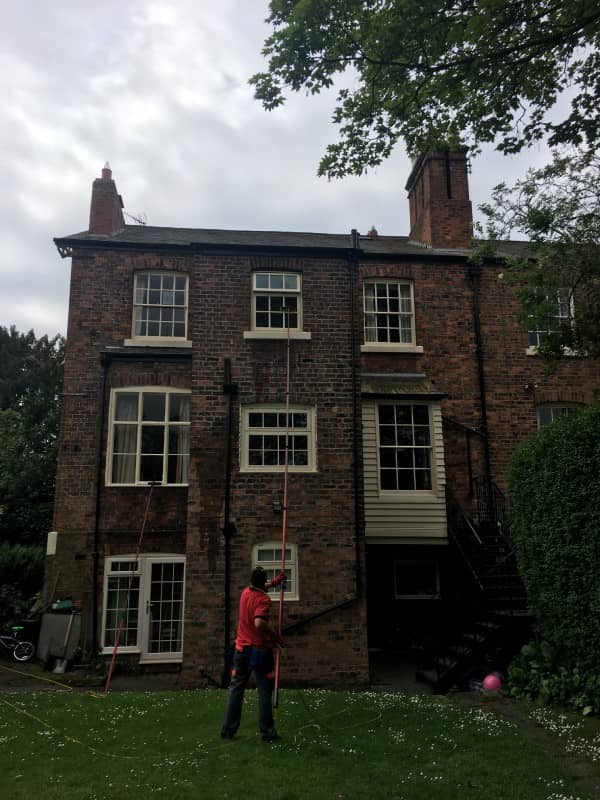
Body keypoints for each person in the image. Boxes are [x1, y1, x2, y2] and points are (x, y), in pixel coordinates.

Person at [221, 566, 286, 742]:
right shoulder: (263, 599)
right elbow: (259, 623)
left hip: (240, 649)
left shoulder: (245, 593)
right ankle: (267, 732)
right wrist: (276, 637)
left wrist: (275, 583)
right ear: (261, 581)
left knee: (236, 689)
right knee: (264, 690)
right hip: (259, 651)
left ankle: (228, 730)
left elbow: (260, 587)